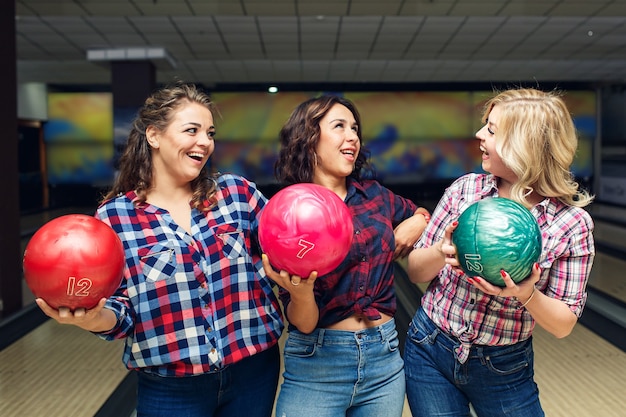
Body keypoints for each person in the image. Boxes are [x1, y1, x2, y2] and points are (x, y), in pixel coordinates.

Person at [36, 82, 284, 417]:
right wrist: (93, 318)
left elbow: (285, 246)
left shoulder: (237, 194)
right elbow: (121, 313)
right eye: (192, 130)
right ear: (154, 136)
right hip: (170, 386)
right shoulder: (115, 218)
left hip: (254, 371)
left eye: (209, 133)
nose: (204, 142)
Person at [404, 87, 595, 417]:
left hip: (504, 367)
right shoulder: (466, 190)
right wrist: (441, 250)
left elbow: (563, 324)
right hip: (429, 347)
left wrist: (526, 294)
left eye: (491, 130)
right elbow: (416, 272)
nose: (479, 134)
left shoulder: (571, 223)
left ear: (524, 145)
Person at [262, 95, 430, 417]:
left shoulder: (375, 196)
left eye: (354, 128)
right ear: (308, 139)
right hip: (318, 365)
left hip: (384, 359)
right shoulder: (288, 214)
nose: (352, 136)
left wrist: (417, 223)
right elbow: (304, 323)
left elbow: (421, 213)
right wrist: (301, 294)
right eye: (339, 126)